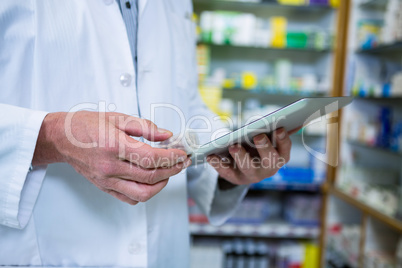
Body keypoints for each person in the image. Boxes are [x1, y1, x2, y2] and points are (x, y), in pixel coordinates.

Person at [0, 0, 293, 267]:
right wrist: (53, 137)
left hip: (164, 248)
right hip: (50, 249)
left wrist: (230, 162)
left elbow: (185, 103)